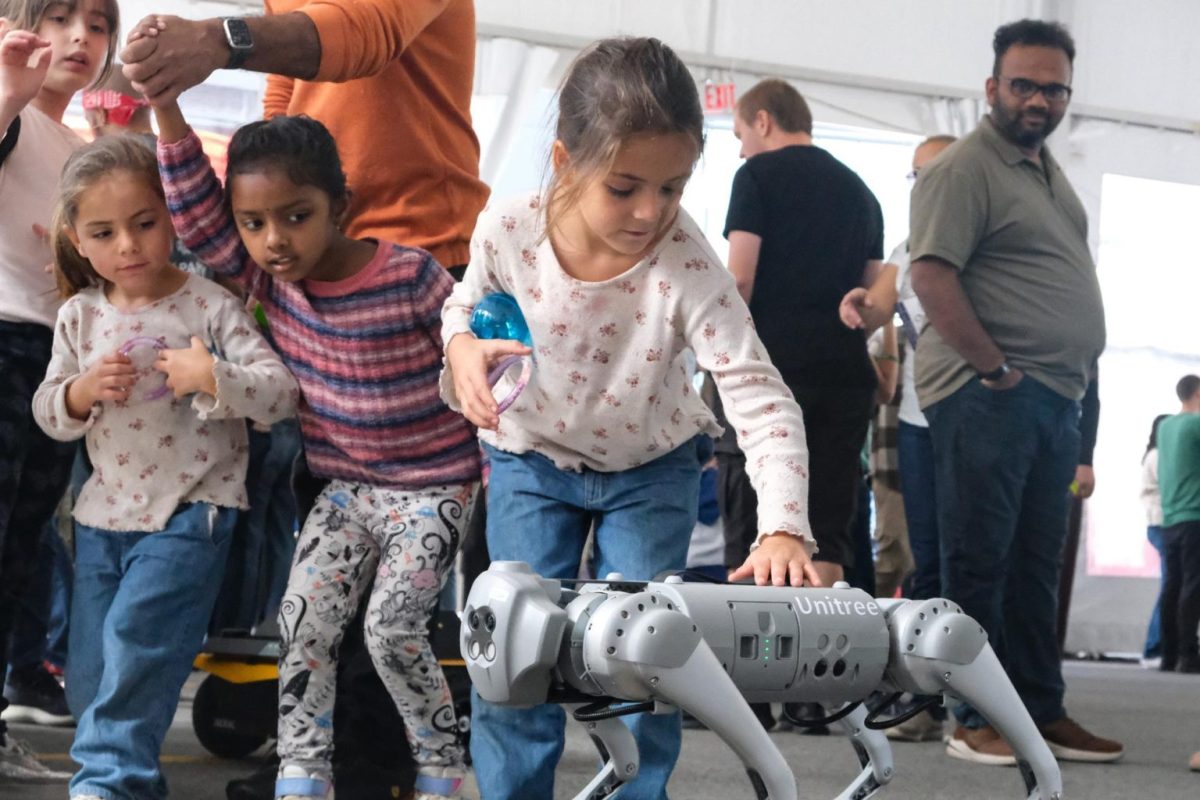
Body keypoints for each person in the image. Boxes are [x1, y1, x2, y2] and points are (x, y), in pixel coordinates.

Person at [122, 8, 489, 794]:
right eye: (255, 225)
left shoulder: (414, 279)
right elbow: (240, 156)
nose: (274, 238)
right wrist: (164, 103)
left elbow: (366, 35)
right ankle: (306, 768)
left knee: (390, 629)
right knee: (309, 622)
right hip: (346, 481)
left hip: (429, 480)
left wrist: (495, 454)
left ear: (334, 208)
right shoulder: (268, 270)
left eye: (290, 220)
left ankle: (431, 765)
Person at [442, 37, 818, 800]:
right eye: (624, 188)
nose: (651, 211)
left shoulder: (686, 263)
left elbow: (757, 391)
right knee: (513, 653)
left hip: (652, 469)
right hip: (530, 460)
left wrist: (783, 522)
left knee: (648, 654)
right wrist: (459, 348)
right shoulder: (508, 229)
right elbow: (466, 304)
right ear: (564, 161)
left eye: (673, 188)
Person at [31, 135, 298, 800]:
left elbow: (280, 392)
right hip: (101, 520)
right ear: (78, 239)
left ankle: (106, 785)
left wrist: (216, 377)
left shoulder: (209, 305)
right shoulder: (79, 316)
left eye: (145, 222)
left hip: (192, 513)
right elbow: (48, 410)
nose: (128, 244)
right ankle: (128, 783)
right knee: (94, 674)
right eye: (105, 231)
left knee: (136, 640)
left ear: (172, 214)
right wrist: (80, 393)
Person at [909, 18, 1120, 764]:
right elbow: (930, 274)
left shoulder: (1044, 171)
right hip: (987, 394)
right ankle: (970, 716)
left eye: (1054, 87)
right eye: (1024, 84)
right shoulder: (966, 167)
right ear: (992, 87)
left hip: (1052, 400)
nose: (1039, 99)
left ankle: (1038, 707)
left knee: (1036, 566)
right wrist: (994, 368)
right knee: (980, 560)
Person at [0, 0, 119, 781]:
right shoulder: (12, 112)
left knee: (19, 554)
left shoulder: (82, 147)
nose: (80, 38)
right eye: (59, 17)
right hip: (4, 341)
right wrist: (8, 91)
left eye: (98, 24)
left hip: (57, 365)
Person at [722, 78, 889, 589]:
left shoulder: (755, 177)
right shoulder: (862, 191)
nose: (741, 146)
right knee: (829, 532)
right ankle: (828, 659)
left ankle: (750, 664)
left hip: (771, 377)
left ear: (764, 121)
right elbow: (869, 294)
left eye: (740, 133)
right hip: (843, 377)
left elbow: (740, 279)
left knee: (758, 529)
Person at [1154, 375, 1200, 674]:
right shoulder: (1195, 424)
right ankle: (1188, 655)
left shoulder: (1165, 426)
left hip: (1168, 517)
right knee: (1193, 586)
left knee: (1172, 585)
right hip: (1194, 514)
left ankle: (1168, 655)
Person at [1139, 413, 1171, 667]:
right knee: (1171, 587)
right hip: (1164, 524)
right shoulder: (1159, 456)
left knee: (1173, 587)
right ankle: (1154, 647)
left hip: (1162, 525)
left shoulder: (1153, 455)